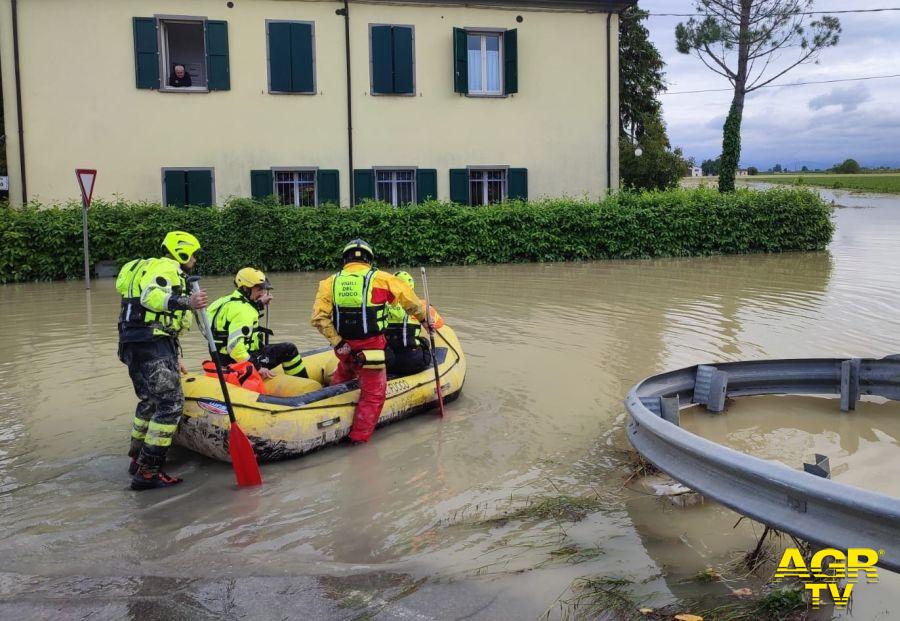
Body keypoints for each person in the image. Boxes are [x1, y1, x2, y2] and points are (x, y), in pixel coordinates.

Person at [311, 240, 440, 444]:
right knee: (374, 394)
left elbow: (319, 318)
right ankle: (358, 439)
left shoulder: (329, 283)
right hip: (371, 349)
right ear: (369, 260)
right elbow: (411, 302)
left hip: (343, 347)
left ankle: (325, 405)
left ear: (345, 259)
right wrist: (425, 320)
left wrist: (337, 342)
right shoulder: (381, 279)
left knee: (344, 370)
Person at [116, 231, 207, 490]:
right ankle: (148, 471)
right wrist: (185, 301)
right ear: (182, 253)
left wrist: (173, 356)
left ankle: (137, 458)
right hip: (152, 344)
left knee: (149, 400)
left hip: (133, 343)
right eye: (193, 254)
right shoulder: (167, 268)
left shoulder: (151, 266)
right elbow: (150, 297)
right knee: (170, 404)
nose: (195, 259)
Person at [207, 268, 308, 380]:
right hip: (237, 361)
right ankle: (305, 385)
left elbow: (232, 320)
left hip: (220, 358)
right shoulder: (244, 310)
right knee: (289, 349)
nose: (263, 293)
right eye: (259, 289)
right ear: (246, 288)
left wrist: (259, 303)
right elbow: (234, 347)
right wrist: (258, 367)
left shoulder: (223, 301)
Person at [384, 271, 442, 377]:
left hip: (387, 363)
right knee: (424, 342)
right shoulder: (422, 305)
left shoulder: (380, 305)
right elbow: (439, 325)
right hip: (413, 363)